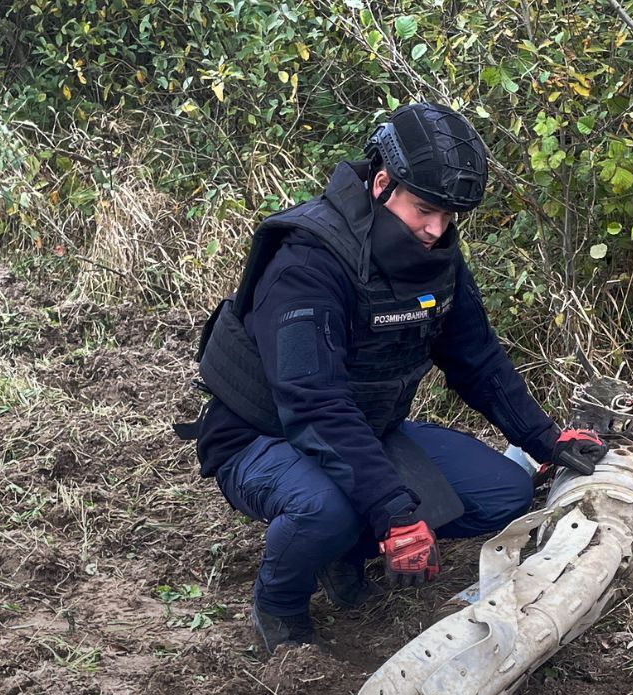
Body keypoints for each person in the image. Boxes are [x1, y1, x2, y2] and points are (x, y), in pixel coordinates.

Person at [177, 102, 611, 653]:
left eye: (450, 215)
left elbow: (476, 357)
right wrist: (393, 512)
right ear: (383, 183)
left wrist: (544, 439)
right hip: (261, 435)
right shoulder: (308, 261)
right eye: (426, 210)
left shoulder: (436, 254)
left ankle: (345, 552)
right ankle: (280, 604)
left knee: (503, 493)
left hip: (364, 426)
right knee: (325, 509)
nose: (437, 229)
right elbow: (312, 401)